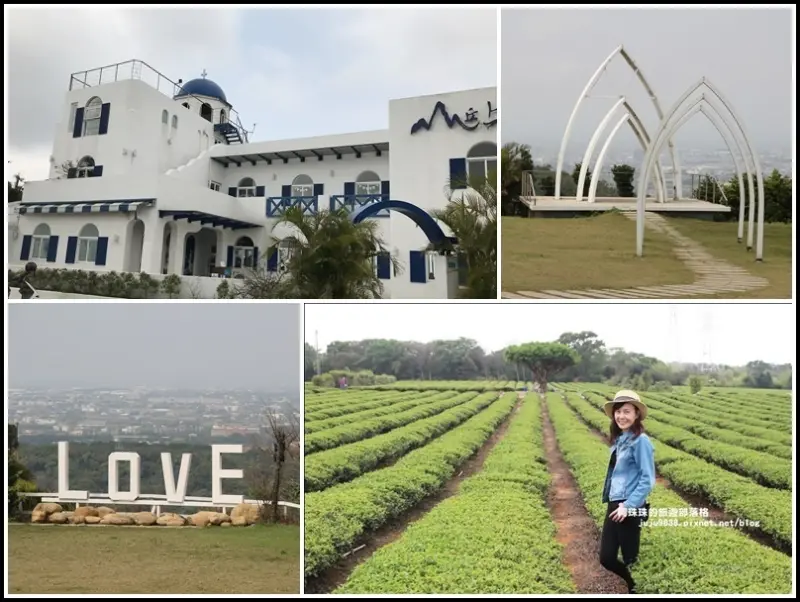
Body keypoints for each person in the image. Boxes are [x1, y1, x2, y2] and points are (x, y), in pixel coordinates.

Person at [599, 389, 656, 594]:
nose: (621, 416)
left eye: (626, 411)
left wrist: (628, 506)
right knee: (606, 557)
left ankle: (639, 588)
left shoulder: (641, 441)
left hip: (628, 506)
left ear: (636, 414)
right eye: (618, 411)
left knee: (631, 558)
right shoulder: (621, 439)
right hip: (615, 503)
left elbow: (647, 479)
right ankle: (633, 584)